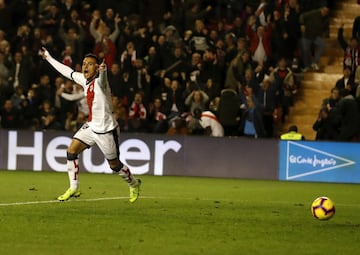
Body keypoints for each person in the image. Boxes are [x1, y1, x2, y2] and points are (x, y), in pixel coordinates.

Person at [40, 47, 141, 202]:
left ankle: (134, 184)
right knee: (71, 152)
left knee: (114, 165)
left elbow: (102, 79)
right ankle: (74, 187)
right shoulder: (83, 79)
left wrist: (104, 70)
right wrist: (48, 58)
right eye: (84, 63)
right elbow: (66, 71)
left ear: (96, 68)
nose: (86, 66)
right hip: (91, 126)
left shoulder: (101, 83)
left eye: (90, 64)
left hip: (107, 131)